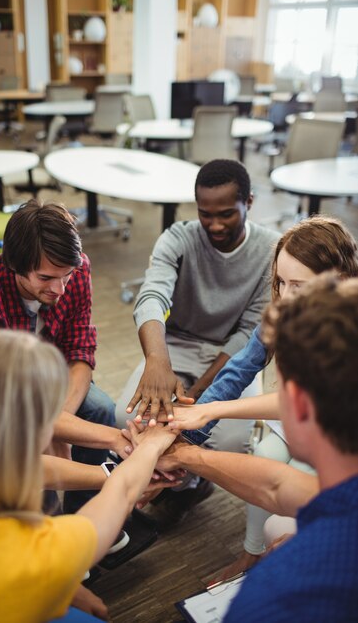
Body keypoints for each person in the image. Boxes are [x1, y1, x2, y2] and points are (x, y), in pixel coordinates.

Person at [131, 274, 358, 621]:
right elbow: (278, 486)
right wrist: (185, 453)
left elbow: (279, 487)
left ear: (295, 403)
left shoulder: (269, 597)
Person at [148, 216, 358, 573]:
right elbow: (237, 371)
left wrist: (208, 416)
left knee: (284, 522)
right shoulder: (282, 315)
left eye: (299, 285)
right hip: (309, 423)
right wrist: (188, 433)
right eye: (280, 282)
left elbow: (309, 403)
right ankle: (252, 551)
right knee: (266, 454)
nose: (286, 296)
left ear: (340, 281)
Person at [0, 330, 178, 623]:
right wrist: (152, 445)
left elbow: (24, 469)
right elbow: (123, 492)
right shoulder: (28, 548)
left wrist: (64, 585)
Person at [115, 159, 280, 519]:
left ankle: (191, 484)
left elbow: (248, 334)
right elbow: (152, 297)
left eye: (226, 214)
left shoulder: (272, 251)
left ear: (249, 202)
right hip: (174, 347)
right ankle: (172, 479)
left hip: (233, 355)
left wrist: (195, 400)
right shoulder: (179, 237)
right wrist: (158, 362)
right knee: (125, 416)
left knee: (228, 440)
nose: (215, 225)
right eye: (206, 214)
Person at [0, 200, 131, 513]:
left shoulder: (77, 267)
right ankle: (44, 520)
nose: (59, 289)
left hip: (44, 373)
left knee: (100, 409)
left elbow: (80, 347)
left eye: (66, 275)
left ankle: (85, 514)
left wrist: (63, 418)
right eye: (45, 278)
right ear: (15, 264)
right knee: (24, 449)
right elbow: (14, 404)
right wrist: (117, 441)